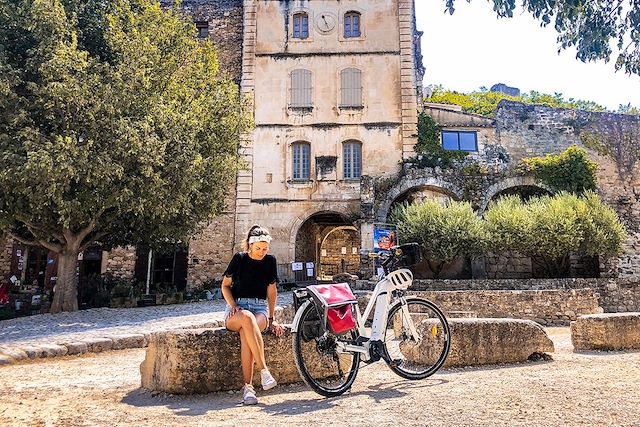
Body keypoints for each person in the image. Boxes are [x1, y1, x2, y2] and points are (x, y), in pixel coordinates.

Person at [221, 225, 285, 405]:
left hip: (260, 309)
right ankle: (264, 371)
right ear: (250, 245)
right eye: (258, 248)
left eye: (265, 249)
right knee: (246, 318)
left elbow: (272, 292)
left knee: (247, 330)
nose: (262, 252)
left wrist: (272, 319)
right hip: (237, 309)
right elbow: (224, 286)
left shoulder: (270, 261)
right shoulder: (239, 259)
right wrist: (233, 305)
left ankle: (248, 388)